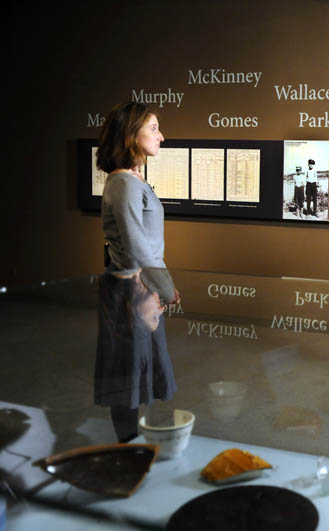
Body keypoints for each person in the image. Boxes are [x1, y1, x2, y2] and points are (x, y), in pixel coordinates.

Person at [95, 102, 179, 442]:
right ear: (132, 135)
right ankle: (128, 449)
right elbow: (136, 244)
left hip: (139, 287)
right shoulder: (125, 185)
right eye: (154, 129)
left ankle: (140, 446)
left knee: (138, 367)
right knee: (127, 373)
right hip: (132, 290)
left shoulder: (130, 181)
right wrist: (166, 287)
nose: (162, 136)